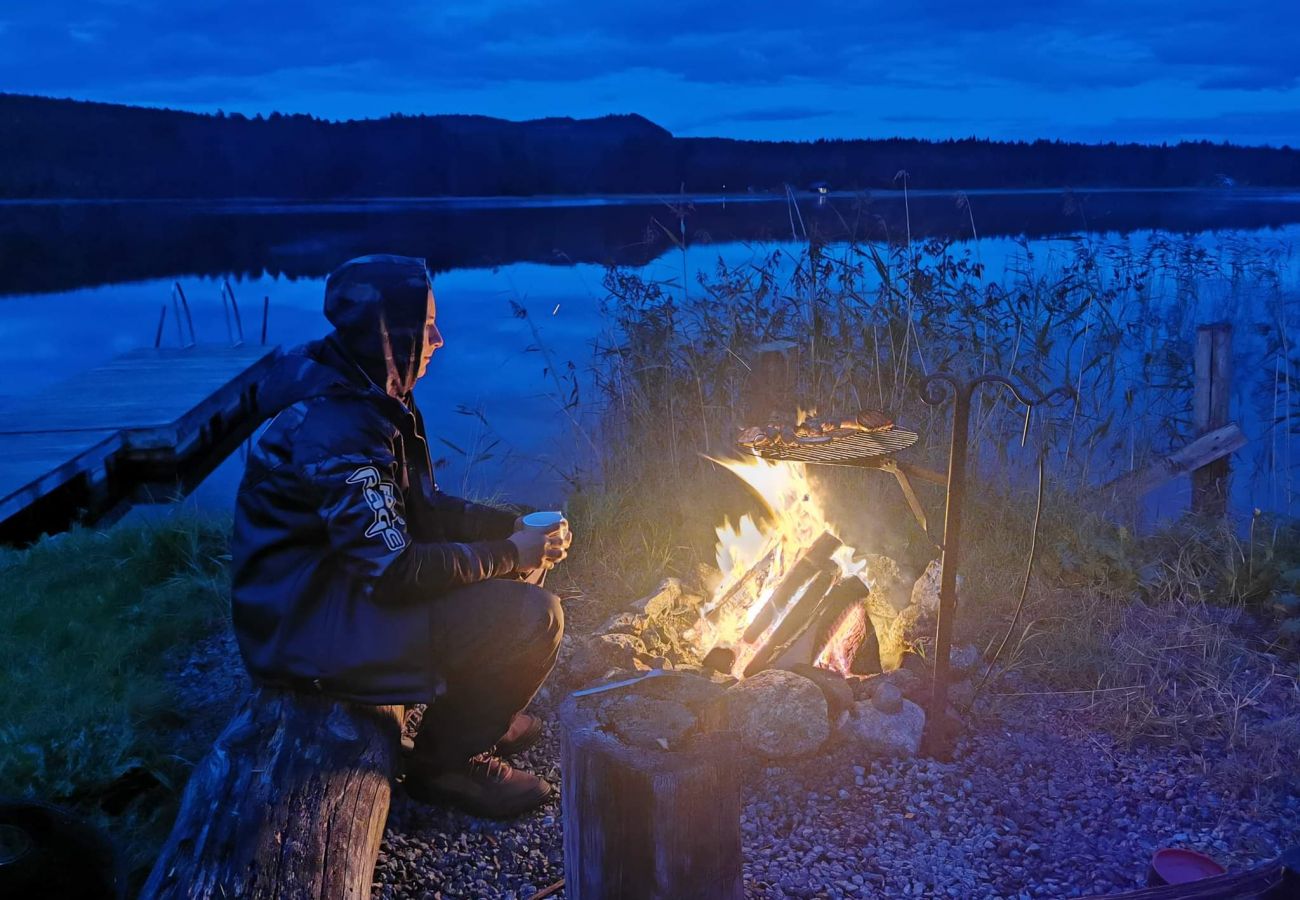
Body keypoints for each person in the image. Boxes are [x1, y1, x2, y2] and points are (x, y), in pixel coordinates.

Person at [229, 254, 571, 818]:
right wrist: (508, 551)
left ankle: (476, 711)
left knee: (521, 563)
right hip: (303, 633)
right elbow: (393, 572)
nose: (438, 338)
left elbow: (420, 508)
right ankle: (444, 767)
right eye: (426, 325)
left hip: (332, 593)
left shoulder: (368, 387)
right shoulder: (336, 425)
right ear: (389, 334)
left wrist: (507, 528)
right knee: (533, 615)